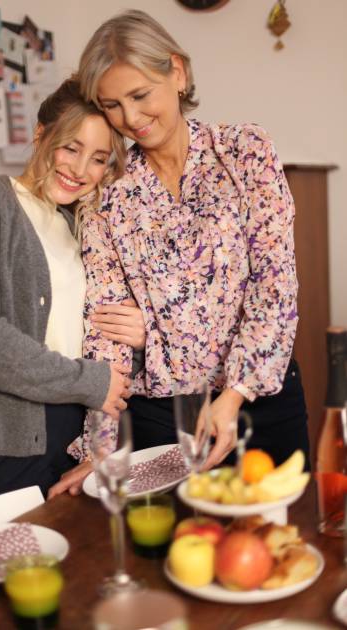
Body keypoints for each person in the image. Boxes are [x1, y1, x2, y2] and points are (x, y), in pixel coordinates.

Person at [48, 10, 309, 498]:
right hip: (159, 418)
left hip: (257, 402)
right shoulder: (106, 193)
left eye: (140, 95)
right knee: (167, 542)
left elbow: (274, 288)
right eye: (112, 105)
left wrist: (233, 395)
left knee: (275, 539)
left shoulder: (246, 151)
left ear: (177, 72)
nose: (131, 119)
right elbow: (106, 331)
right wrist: (99, 449)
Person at [0, 78, 147, 509]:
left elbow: (97, 334)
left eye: (98, 158)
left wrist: (139, 335)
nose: (80, 169)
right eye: (70, 147)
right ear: (40, 133)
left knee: (73, 549)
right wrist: (91, 382)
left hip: (69, 430)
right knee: (13, 553)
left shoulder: (82, 224)